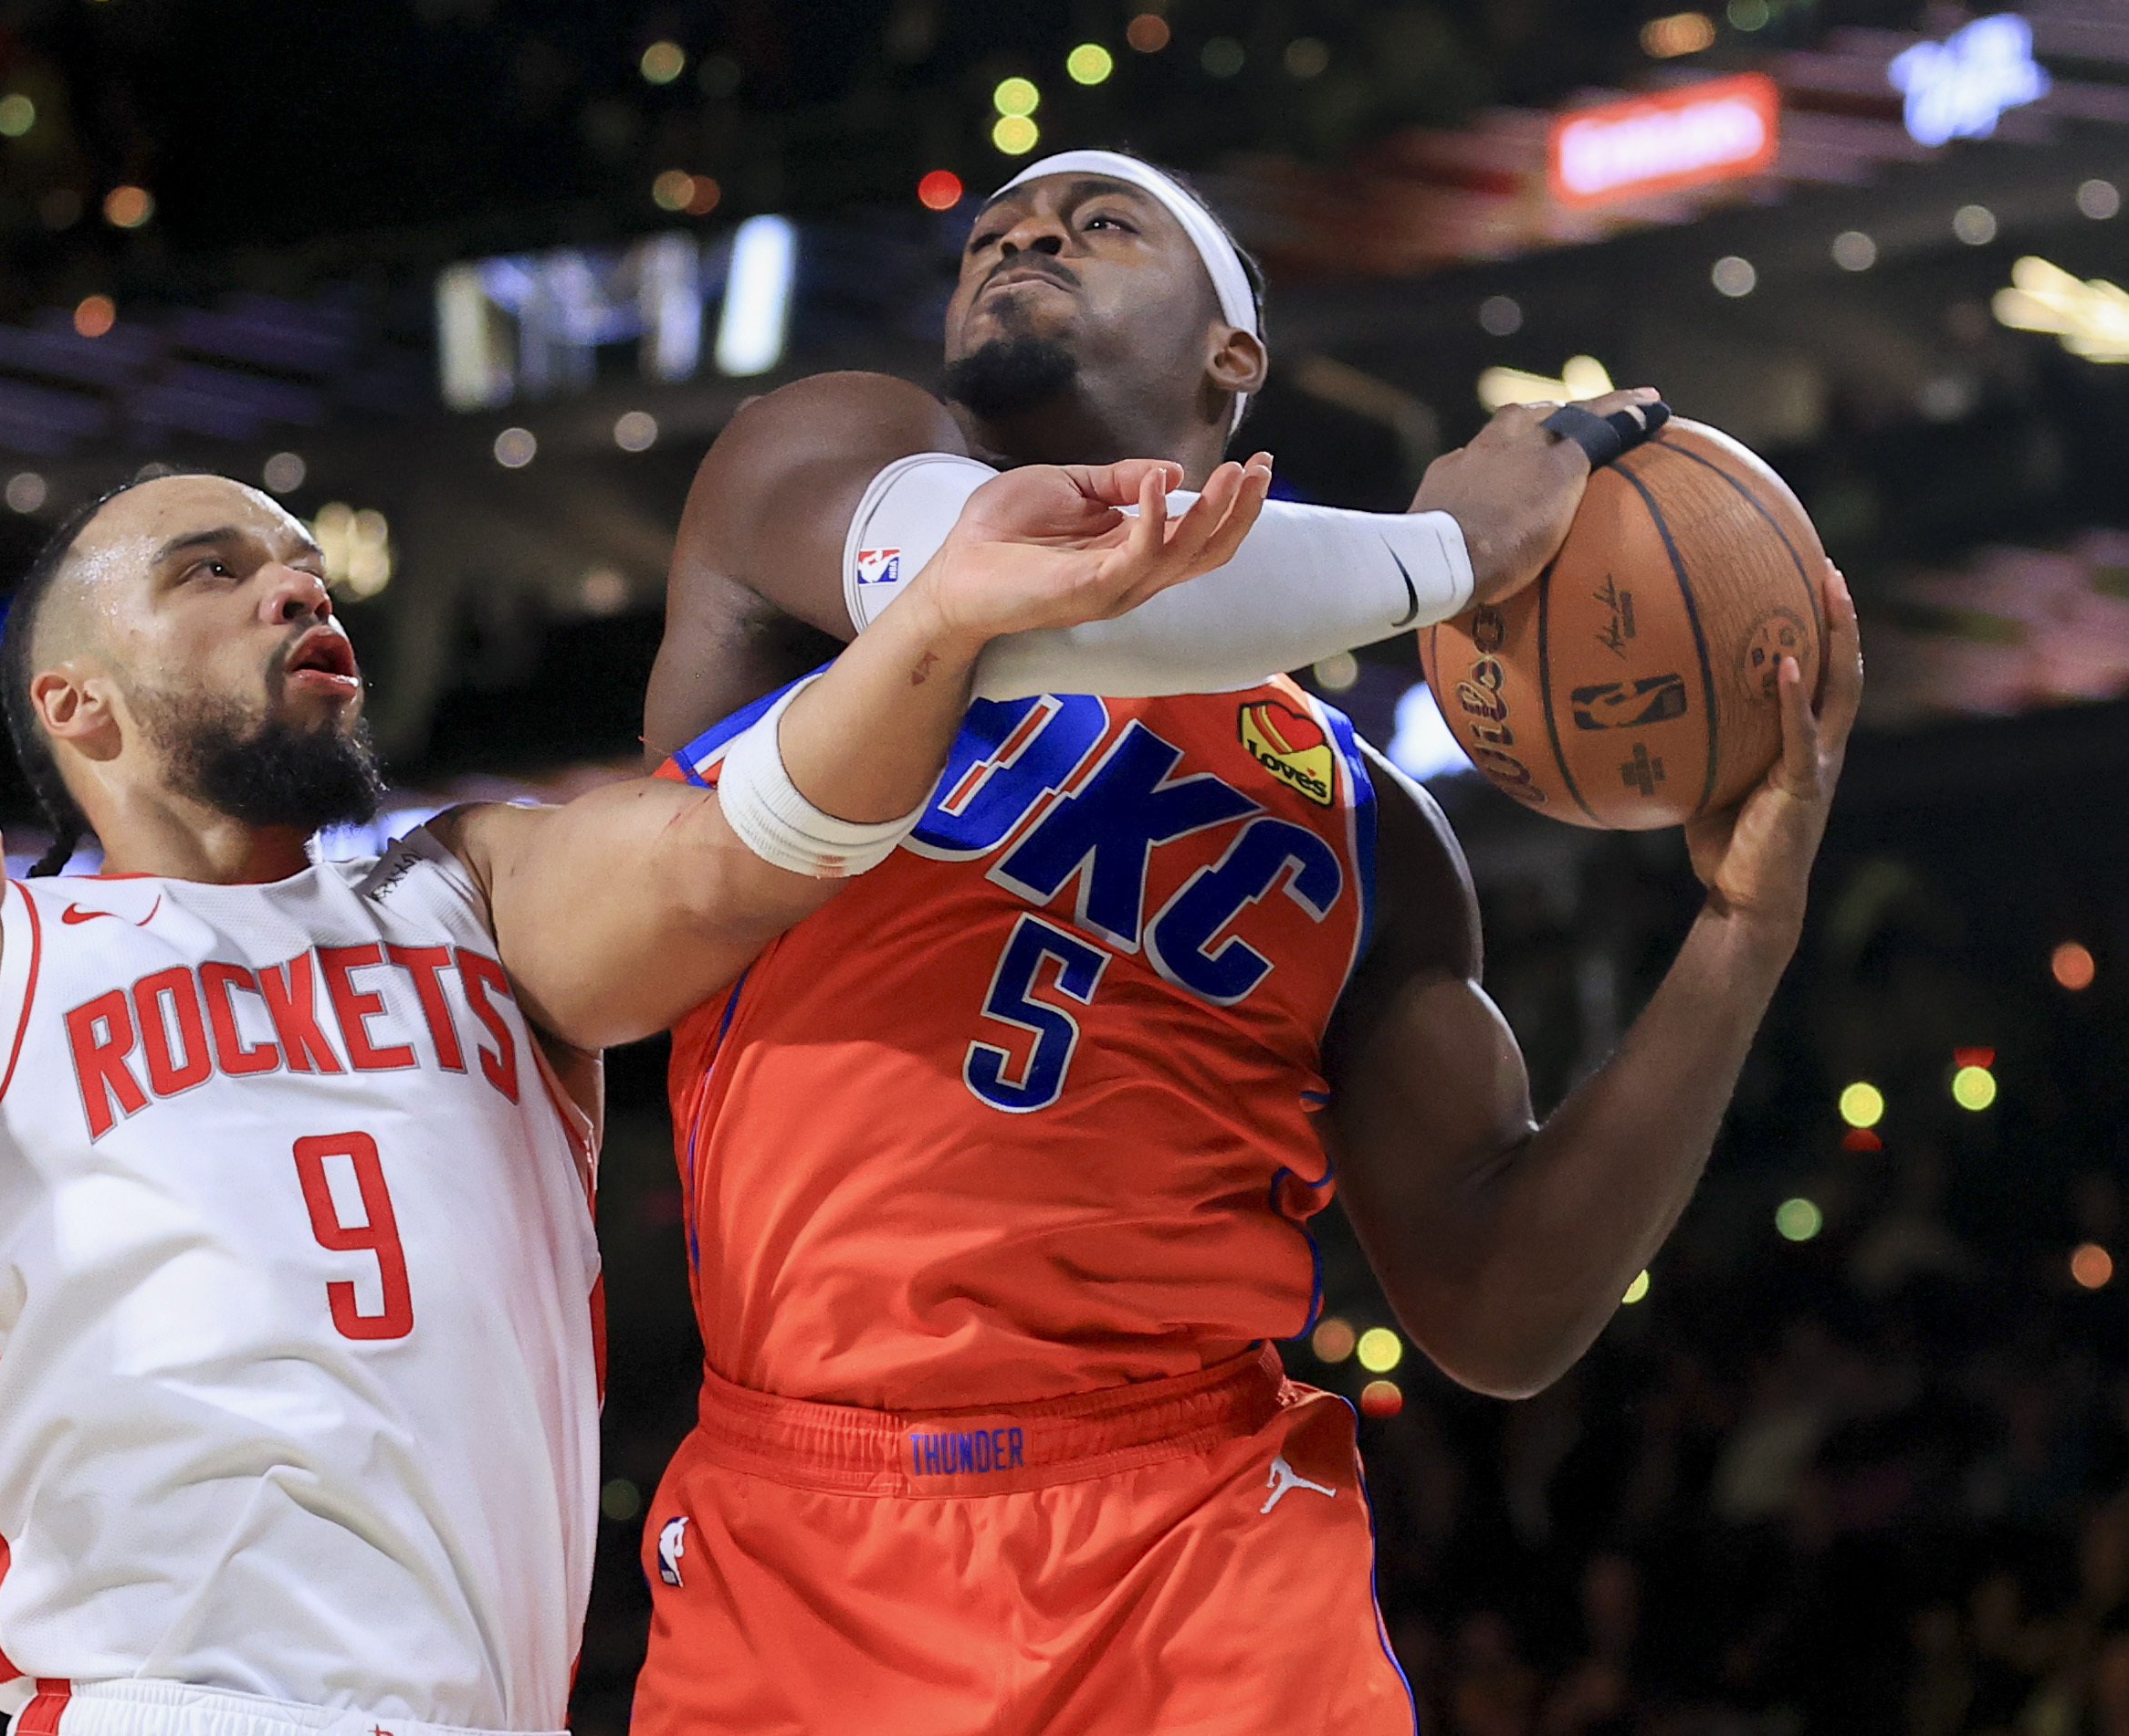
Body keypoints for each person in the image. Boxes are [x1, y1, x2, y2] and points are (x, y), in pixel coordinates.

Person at [0, 457, 1273, 1736]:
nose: (292, 581)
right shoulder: (0, 959)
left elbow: (735, 846)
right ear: (78, 704)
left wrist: (942, 614)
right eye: (218, 569)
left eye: (306, 564)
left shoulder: (469, 886)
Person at [634, 151, 1862, 1731]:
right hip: (808, 1517)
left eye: (1101, 223)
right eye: (993, 233)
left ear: (1232, 353)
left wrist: (1743, 930)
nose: (1024, 237)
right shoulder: (821, 469)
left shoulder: (1369, 833)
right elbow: (999, 587)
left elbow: (1498, 1309)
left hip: (1194, 1538)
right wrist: (1444, 555)